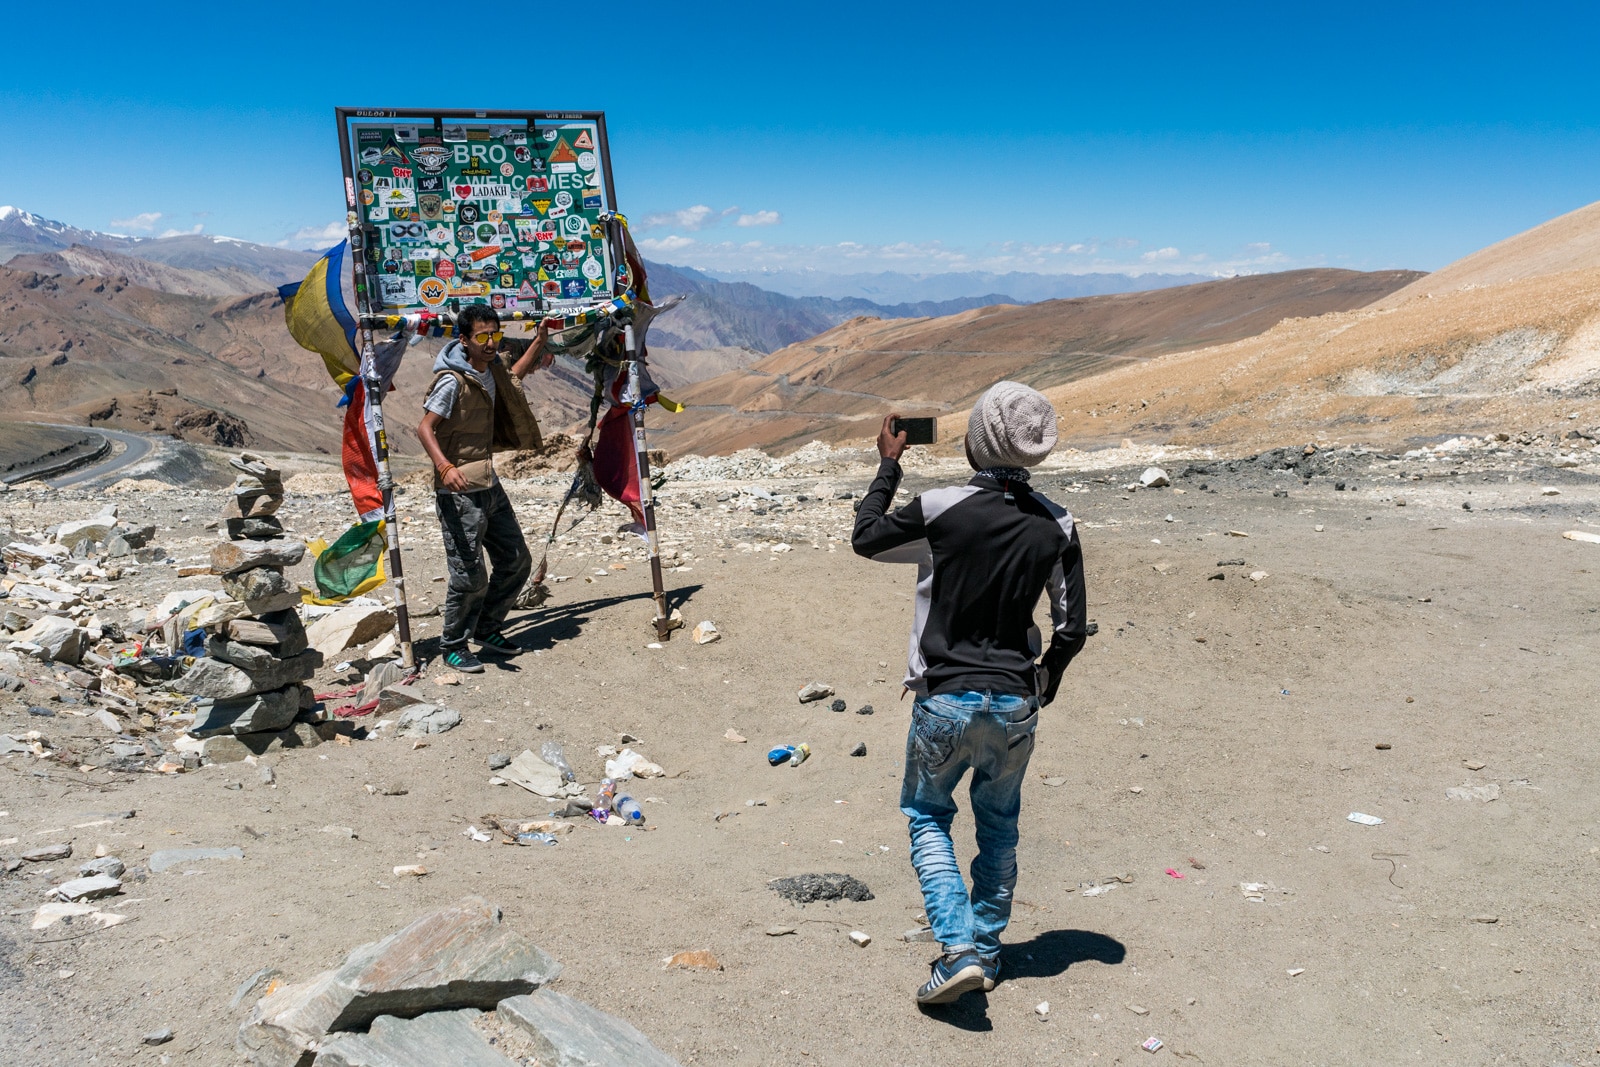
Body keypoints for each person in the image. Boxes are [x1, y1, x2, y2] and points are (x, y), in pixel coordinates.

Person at [851, 382, 1088, 1005]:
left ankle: (957, 949)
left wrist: (889, 463)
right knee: (1000, 826)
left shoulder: (941, 507)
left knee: (928, 815)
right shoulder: (1057, 523)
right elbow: (1069, 627)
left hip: (946, 697)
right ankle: (984, 952)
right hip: (1015, 701)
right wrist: (1045, 682)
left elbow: (866, 537)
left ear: (978, 441)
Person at [417, 305, 553, 673]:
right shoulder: (452, 382)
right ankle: (453, 645)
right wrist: (444, 467)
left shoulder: (490, 370)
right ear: (464, 340)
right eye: (483, 336)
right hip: (458, 492)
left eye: (495, 334)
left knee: (516, 560)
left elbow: (514, 377)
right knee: (469, 573)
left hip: (489, 484)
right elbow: (425, 428)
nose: (491, 342)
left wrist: (539, 341)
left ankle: (487, 628)